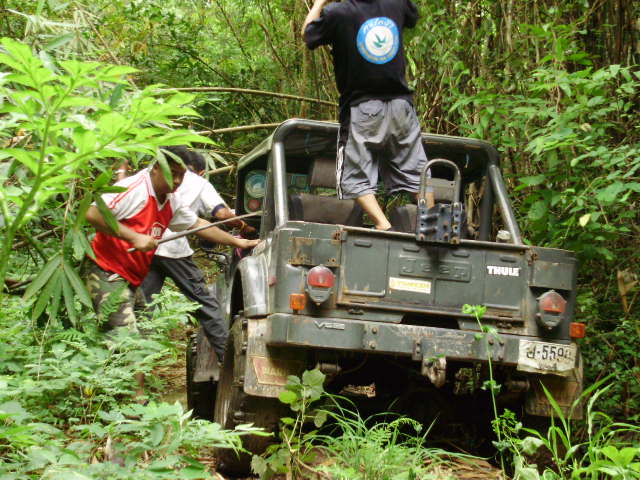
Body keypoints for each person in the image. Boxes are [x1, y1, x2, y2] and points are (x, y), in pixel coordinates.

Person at [85, 146, 259, 399]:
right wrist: (133, 236)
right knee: (128, 340)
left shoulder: (171, 199)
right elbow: (93, 213)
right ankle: (134, 405)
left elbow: (197, 224)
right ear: (156, 168)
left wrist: (238, 242)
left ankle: (117, 393)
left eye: (181, 176)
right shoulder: (134, 189)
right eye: (172, 174)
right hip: (106, 271)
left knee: (143, 331)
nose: (177, 181)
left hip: (132, 275)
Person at [302, 0, 428, 231]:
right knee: (417, 174)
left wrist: (319, 3)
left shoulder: (338, 13)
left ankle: (383, 224)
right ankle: (432, 226)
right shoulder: (396, 4)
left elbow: (308, 35)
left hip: (363, 107)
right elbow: (412, 16)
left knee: (354, 176)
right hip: (401, 107)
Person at [140, 148, 255, 363]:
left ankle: (133, 357)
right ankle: (228, 360)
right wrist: (243, 227)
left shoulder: (149, 174)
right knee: (205, 303)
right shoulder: (199, 183)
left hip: (148, 245)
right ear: (202, 172)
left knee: (144, 306)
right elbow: (222, 214)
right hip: (173, 250)